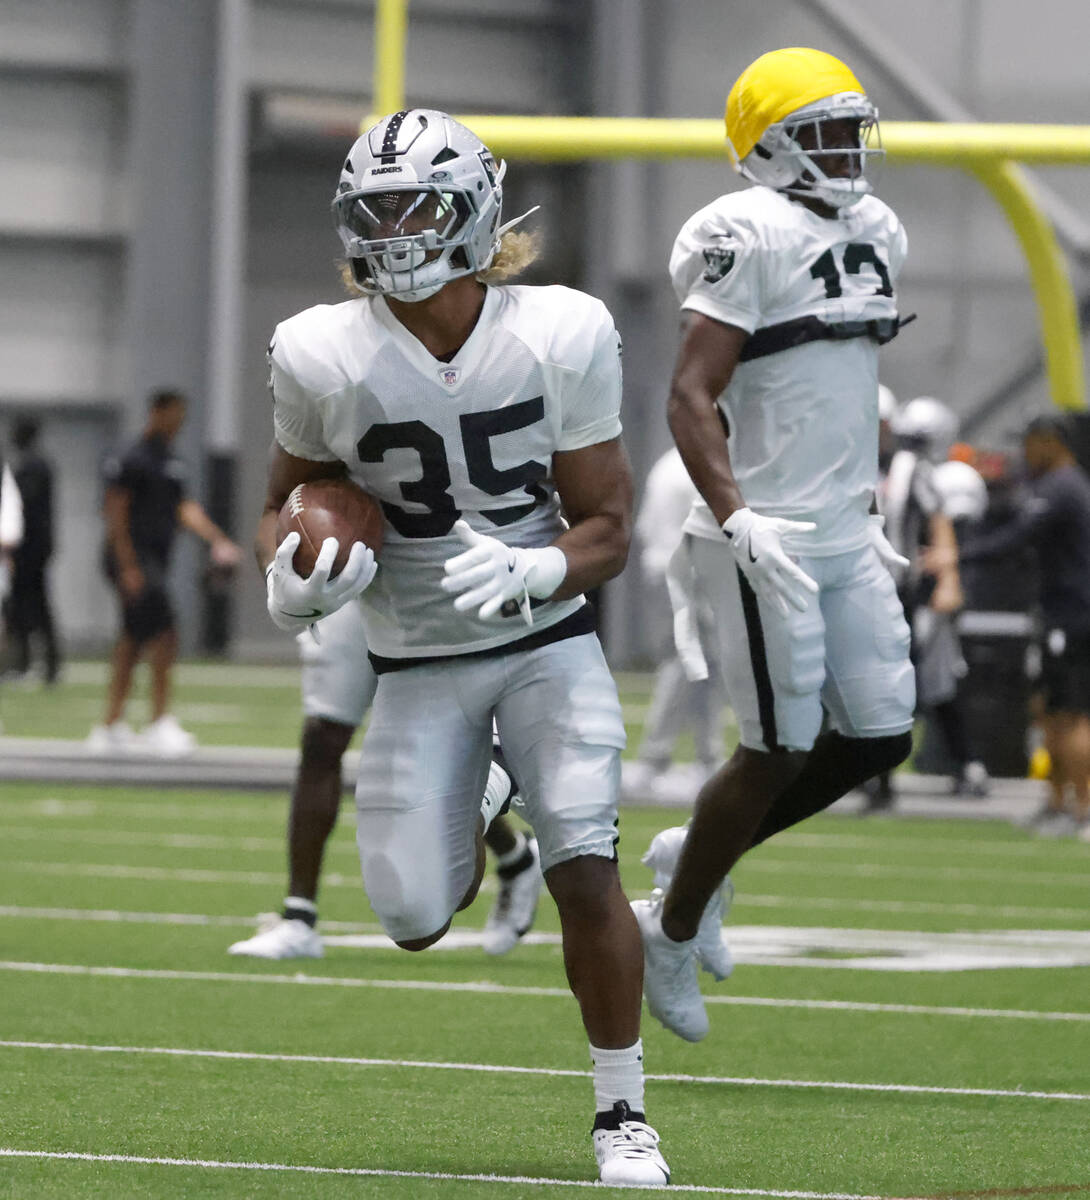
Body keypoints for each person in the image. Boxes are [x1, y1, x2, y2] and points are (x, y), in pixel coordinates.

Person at [257, 109, 668, 1185]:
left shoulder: (562, 331)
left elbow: (609, 528)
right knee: (411, 918)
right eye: (377, 211)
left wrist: (543, 569)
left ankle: (622, 1115)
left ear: (477, 212)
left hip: (544, 639)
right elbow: (282, 502)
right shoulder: (318, 352)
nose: (396, 231)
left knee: (584, 860)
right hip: (415, 656)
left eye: (418, 206)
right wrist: (289, 576)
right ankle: (487, 792)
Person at [633, 47, 916, 1043]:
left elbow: (837, 386)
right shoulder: (742, 231)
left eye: (852, 130)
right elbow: (689, 394)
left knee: (880, 733)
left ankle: (695, 857)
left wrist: (866, 503)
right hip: (767, 535)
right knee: (778, 747)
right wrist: (737, 514)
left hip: (844, 529)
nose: (847, 150)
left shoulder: (878, 229)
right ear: (770, 146)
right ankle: (669, 930)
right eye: (824, 133)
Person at [228, 599, 544, 959]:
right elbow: (277, 560)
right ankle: (298, 917)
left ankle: (516, 854)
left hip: (432, 592)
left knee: (431, 755)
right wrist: (280, 580)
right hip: (356, 591)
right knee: (322, 736)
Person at [929, 414, 1090, 838]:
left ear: (1051, 442)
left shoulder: (1062, 487)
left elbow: (1017, 536)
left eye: (1031, 443)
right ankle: (1058, 804)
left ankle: (1084, 810)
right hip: (1058, 614)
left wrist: (958, 555)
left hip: (1072, 616)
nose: (1025, 452)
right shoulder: (1054, 484)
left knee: (1071, 713)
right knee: (1050, 711)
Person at [88, 390, 242, 756]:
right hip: (133, 559)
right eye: (174, 414)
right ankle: (158, 722)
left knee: (133, 637)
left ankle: (111, 724)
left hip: (155, 561)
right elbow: (115, 512)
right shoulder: (131, 457)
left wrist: (216, 539)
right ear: (157, 412)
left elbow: (183, 509)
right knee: (165, 633)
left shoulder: (172, 462)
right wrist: (127, 565)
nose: (179, 423)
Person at [862, 396, 989, 809]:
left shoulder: (911, 470)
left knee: (925, 683)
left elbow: (939, 521)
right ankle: (866, 773)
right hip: (858, 593)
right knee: (862, 686)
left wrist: (948, 577)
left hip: (905, 596)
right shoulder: (850, 464)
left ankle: (955, 766)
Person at [624, 445, 727, 798]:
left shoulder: (666, 466)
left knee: (701, 666)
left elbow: (644, 527)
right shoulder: (692, 470)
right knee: (686, 664)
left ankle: (706, 757)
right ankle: (657, 758)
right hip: (685, 576)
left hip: (666, 570)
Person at [3, 418, 60, 684]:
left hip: (31, 549)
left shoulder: (33, 467)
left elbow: (24, 507)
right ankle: (26, 662)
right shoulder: (31, 465)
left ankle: (44, 664)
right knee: (22, 606)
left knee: (35, 605)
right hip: (30, 547)